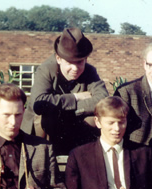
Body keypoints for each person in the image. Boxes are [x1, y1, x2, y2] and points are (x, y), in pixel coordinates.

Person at [22, 27, 109, 155]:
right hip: (44, 131)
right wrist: (75, 97)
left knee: (94, 119)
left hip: (74, 128)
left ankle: (85, 158)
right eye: (69, 62)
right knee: (44, 118)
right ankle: (43, 157)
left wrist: (71, 110)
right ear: (58, 58)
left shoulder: (89, 71)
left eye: (79, 62)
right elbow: (39, 103)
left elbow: (103, 100)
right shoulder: (46, 69)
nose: (75, 68)